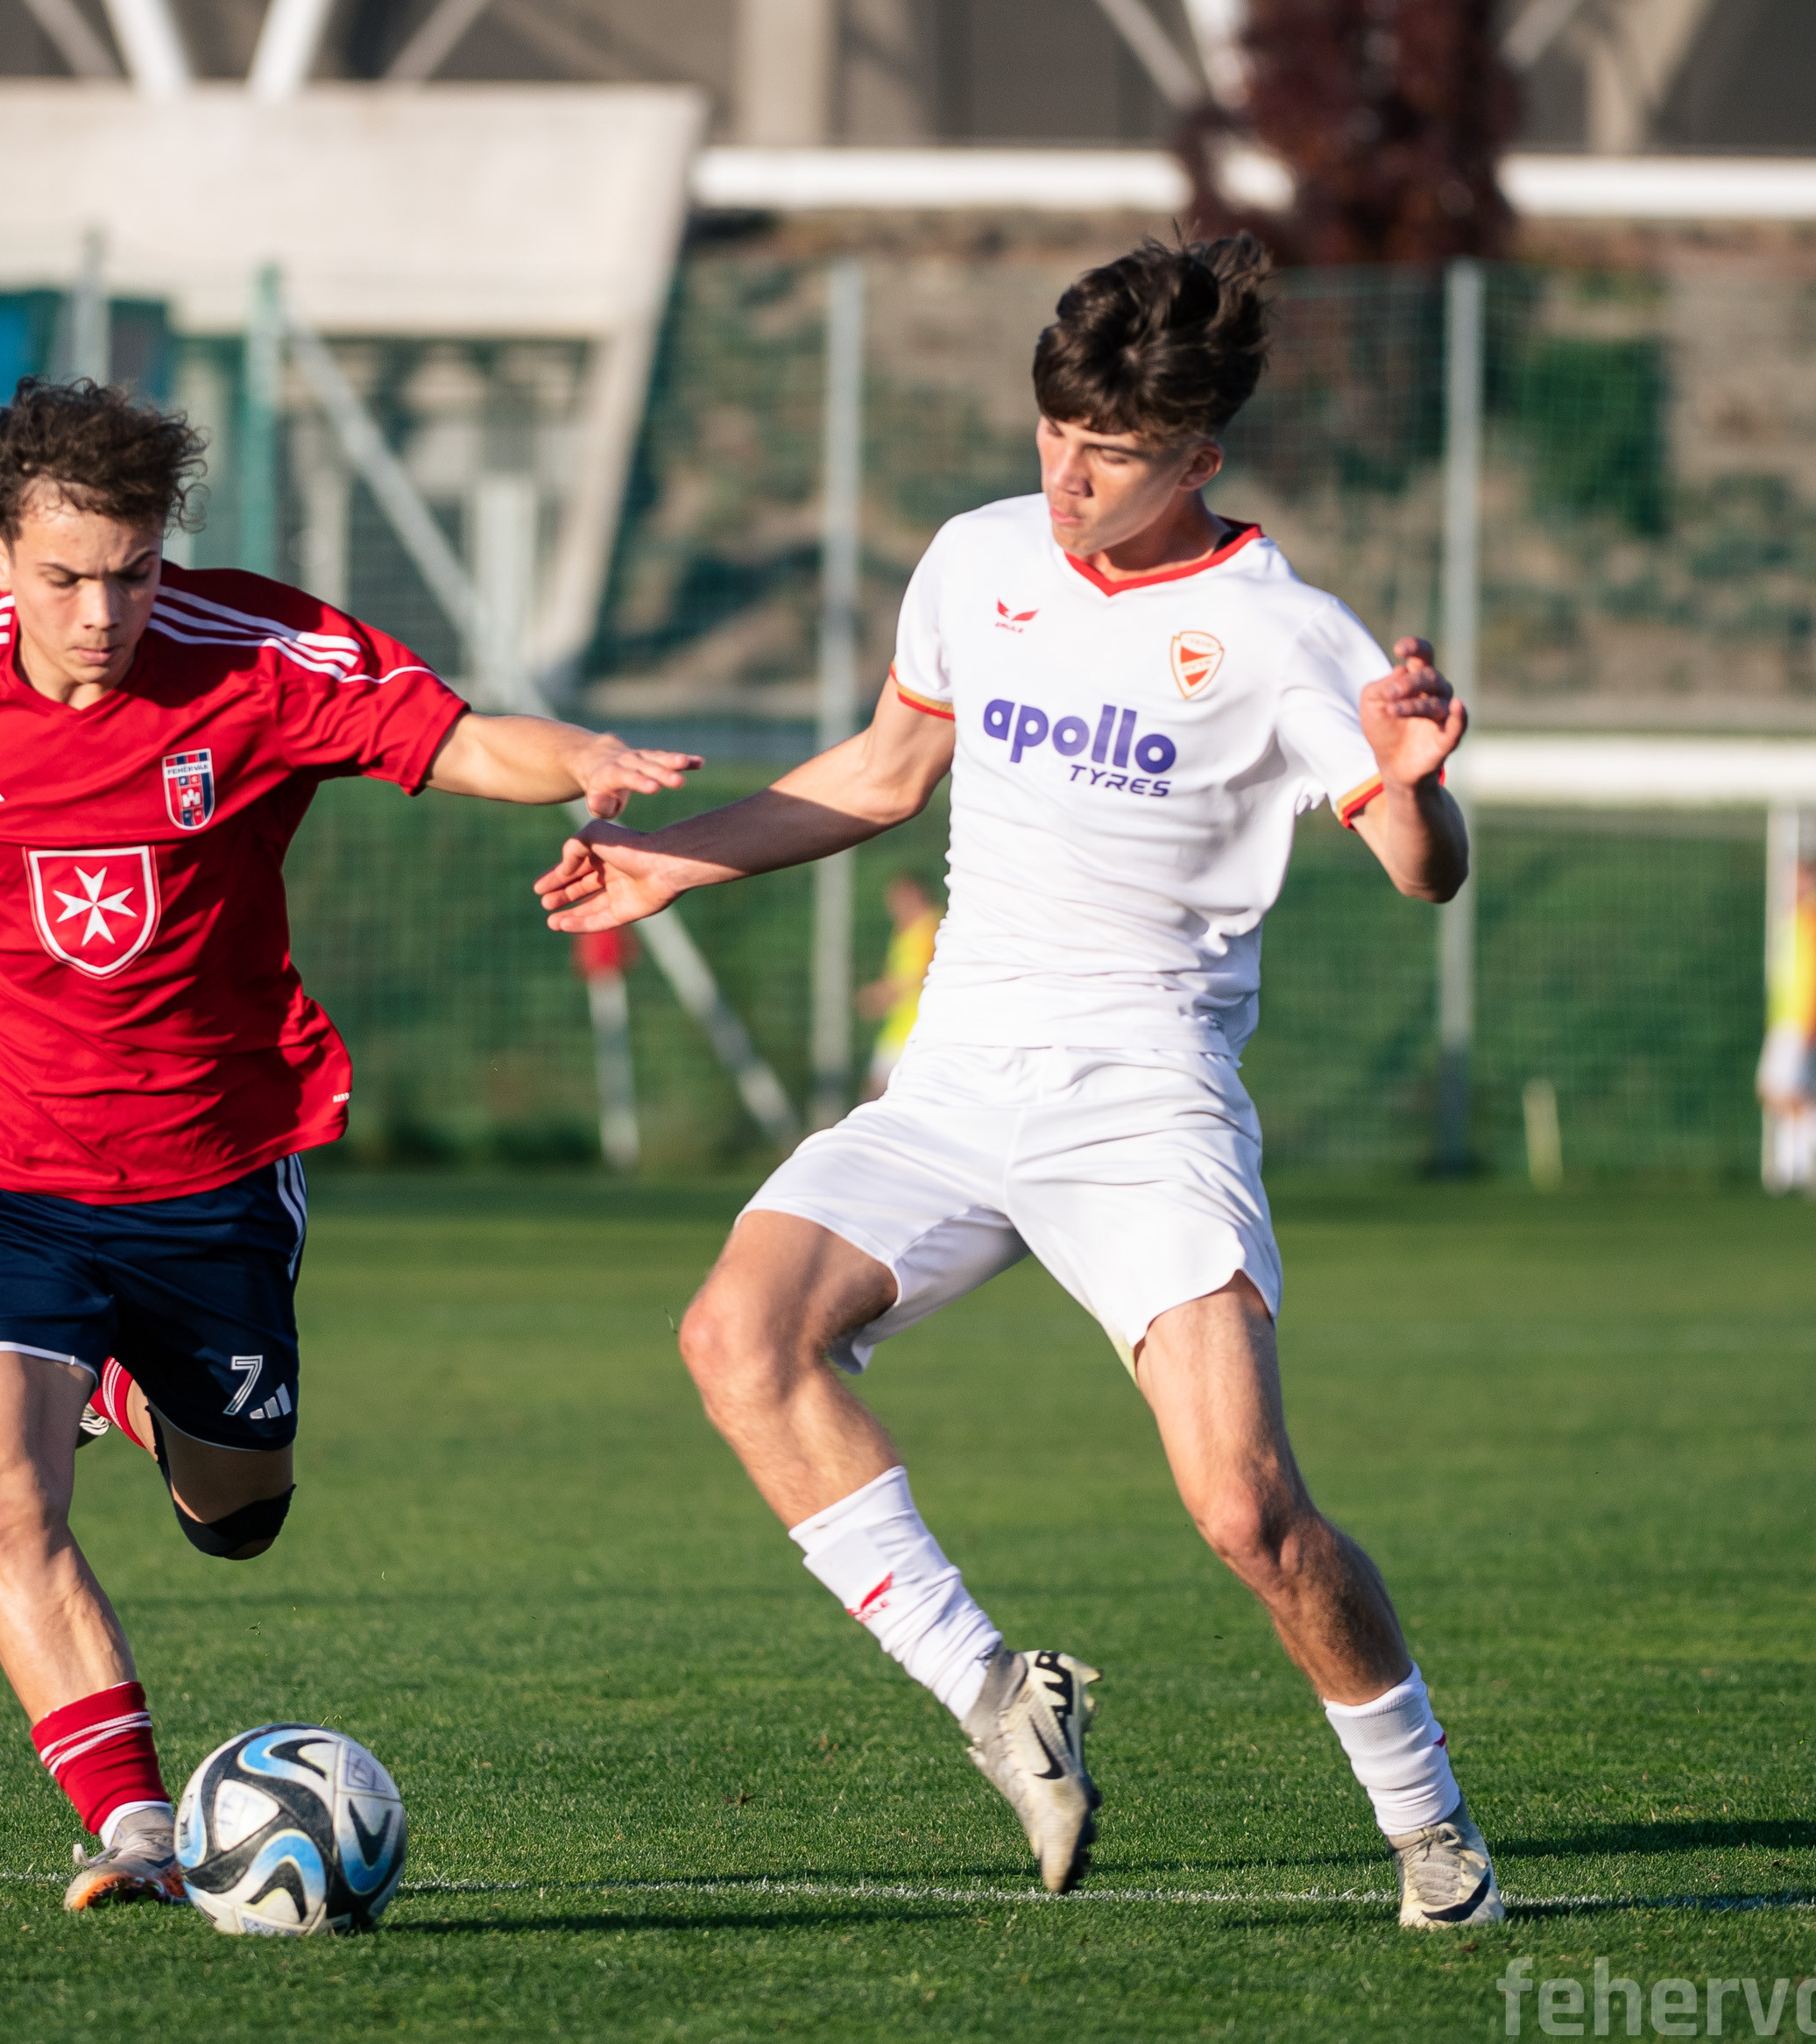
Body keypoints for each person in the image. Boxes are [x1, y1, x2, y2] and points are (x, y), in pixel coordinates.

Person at [0, 378, 699, 1913]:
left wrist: (580, 760)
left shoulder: (259, 655)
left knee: (240, 1517)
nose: (102, 612)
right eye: (65, 577)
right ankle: (135, 1824)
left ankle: (123, 1383)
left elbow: (455, 740)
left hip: (213, 1175)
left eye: (133, 572)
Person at [536, 237, 1501, 1927]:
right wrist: (672, 862)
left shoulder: (1285, 633)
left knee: (1248, 1511)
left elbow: (1426, 875)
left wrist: (1414, 783)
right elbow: (884, 771)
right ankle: (997, 1695)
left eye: (1110, 453)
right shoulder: (979, 558)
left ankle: (1431, 1827)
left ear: (1199, 459)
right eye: (1053, 432)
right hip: (957, 1082)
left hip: (1145, 1099)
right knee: (737, 1338)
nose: (1067, 476)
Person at [1756, 854, 1816, 1194]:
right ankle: (1792, 1170)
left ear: (1813, 880)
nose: (1793, 884)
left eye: (1801, 877)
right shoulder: (1792, 917)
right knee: (1793, 1095)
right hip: (1784, 1017)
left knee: (1778, 1090)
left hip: (1802, 1019)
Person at [855, 872, 942, 1096]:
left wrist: (881, 995)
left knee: (879, 1100)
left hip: (918, 1032)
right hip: (899, 1030)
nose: (891, 905)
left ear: (913, 894)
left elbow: (921, 975)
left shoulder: (930, 929)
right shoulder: (905, 932)